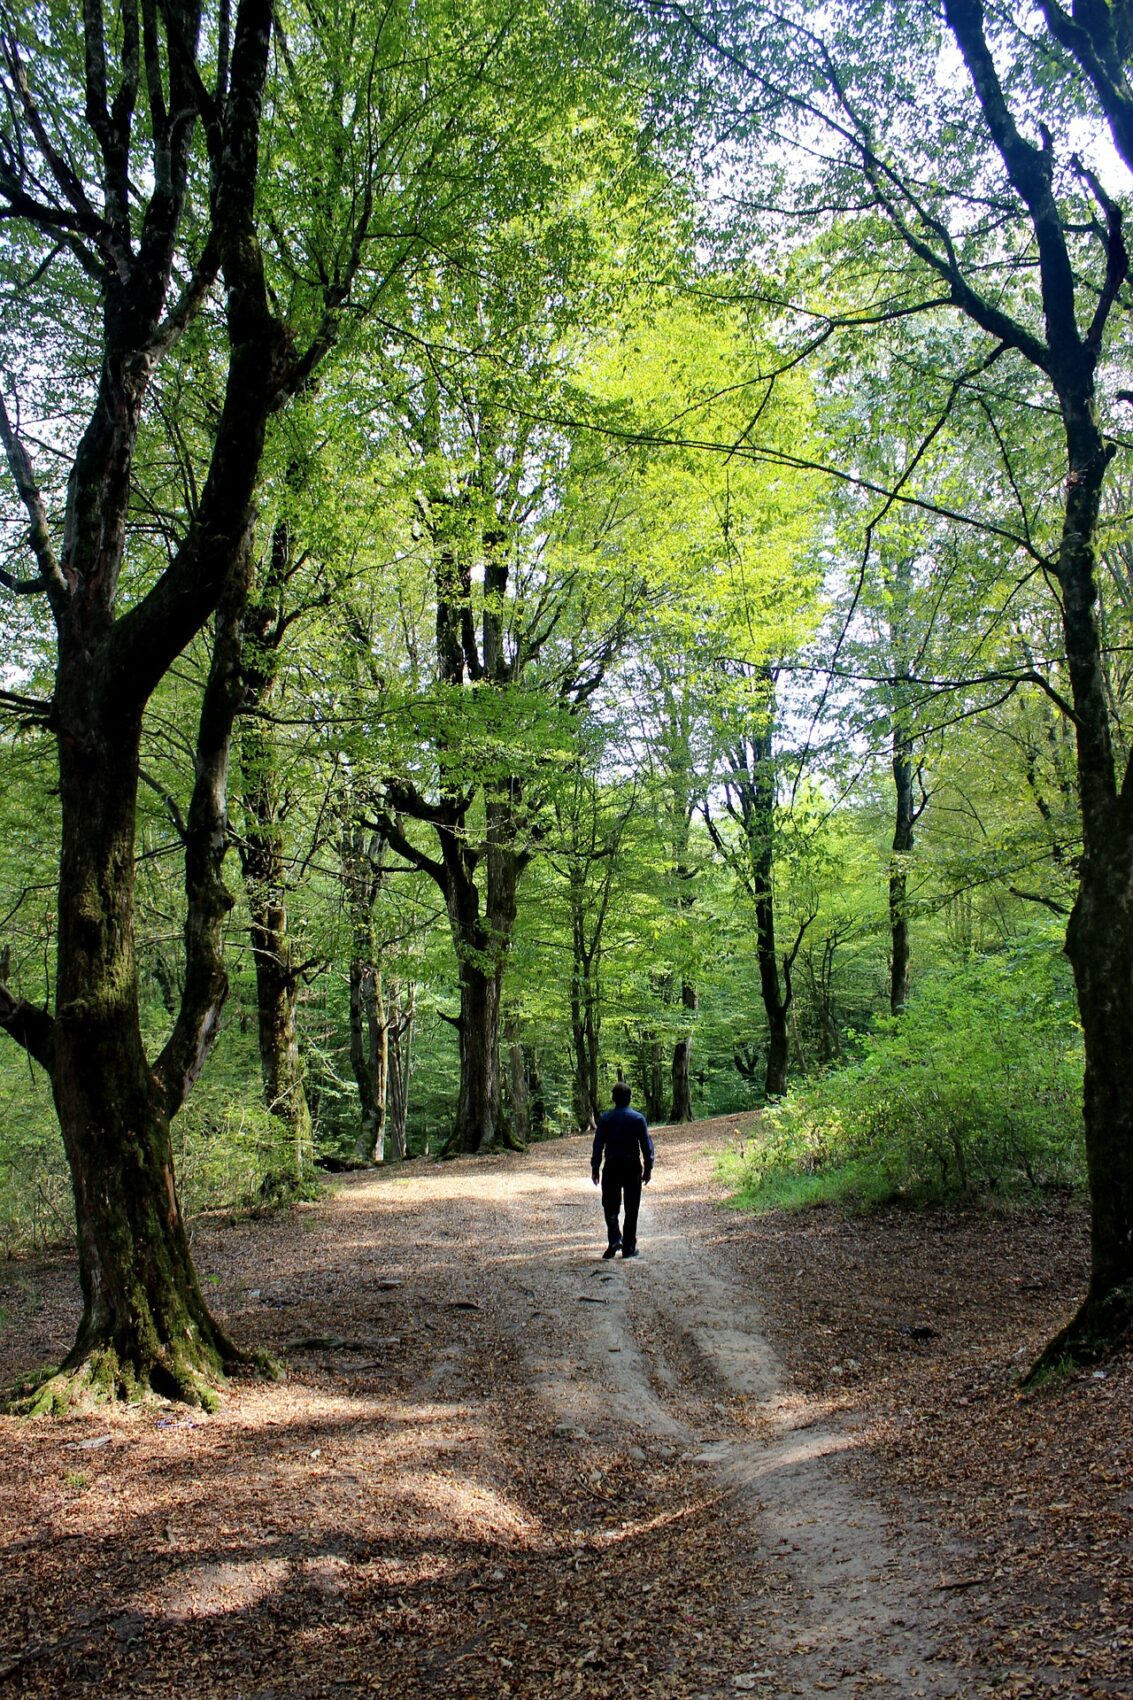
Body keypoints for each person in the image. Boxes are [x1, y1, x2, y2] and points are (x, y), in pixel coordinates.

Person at [591, 1082, 654, 1259]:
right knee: (632, 1207)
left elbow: (598, 1146)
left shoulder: (605, 1119)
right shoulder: (638, 1119)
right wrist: (648, 1167)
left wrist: (595, 1168)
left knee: (610, 1205)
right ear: (629, 1098)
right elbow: (646, 1145)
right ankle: (628, 1247)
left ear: (613, 1098)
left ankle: (614, 1238)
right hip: (632, 1166)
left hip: (611, 1166)